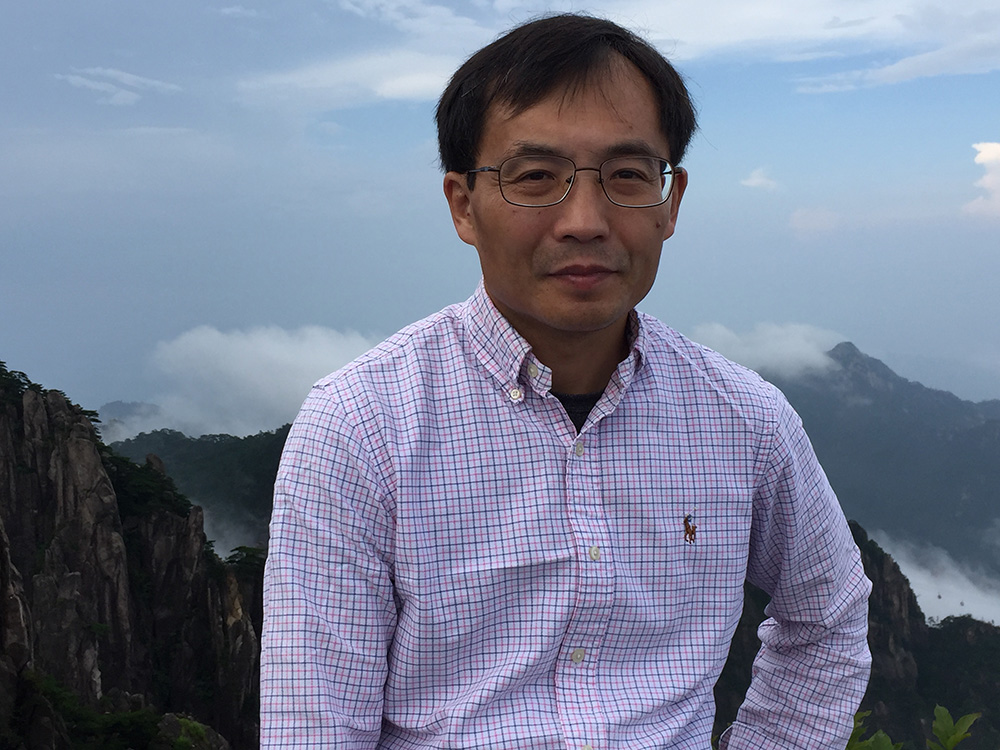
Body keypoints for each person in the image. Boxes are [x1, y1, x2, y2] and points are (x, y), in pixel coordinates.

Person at [261, 13, 871, 750]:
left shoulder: (743, 419)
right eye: (536, 177)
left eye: (626, 176)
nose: (584, 220)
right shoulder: (361, 428)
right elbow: (314, 725)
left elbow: (828, 615)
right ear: (463, 204)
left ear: (670, 201)